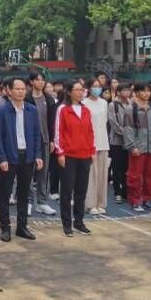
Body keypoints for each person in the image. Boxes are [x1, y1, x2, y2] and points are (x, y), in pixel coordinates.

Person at [0, 76, 43, 242]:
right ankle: (5, 228)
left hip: (27, 156)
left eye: (23, 89)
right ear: (9, 91)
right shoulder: (1, 109)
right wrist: (1, 158)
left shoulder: (31, 109)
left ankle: (22, 227)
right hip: (9, 157)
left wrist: (38, 155)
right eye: (17, 89)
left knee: (24, 193)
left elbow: (36, 134)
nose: (21, 92)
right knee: (5, 194)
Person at [53, 80, 95, 237]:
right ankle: (66, 224)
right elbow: (58, 132)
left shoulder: (86, 110)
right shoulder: (63, 109)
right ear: (69, 92)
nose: (80, 92)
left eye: (82, 90)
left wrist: (92, 150)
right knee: (66, 191)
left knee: (81, 191)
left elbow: (90, 132)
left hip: (85, 155)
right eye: (76, 90)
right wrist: (60, 153)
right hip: (69, 155)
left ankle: (79, 222)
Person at [124, 83, 151, 213]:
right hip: (137, 148)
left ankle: (148, 199)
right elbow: (128, 129)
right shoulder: (130, 109)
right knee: (135, 175)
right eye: (143, 91)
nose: (146, 93)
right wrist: (132, 146)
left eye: (148, 91)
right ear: (137, 92)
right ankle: (135, 200)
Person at [84, 81, 111, 215]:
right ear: (89, 88)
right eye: (94, 86)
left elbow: (105, 120)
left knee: (102, 174)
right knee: (91, 175)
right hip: (90, 142)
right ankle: (90, 204)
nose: (97, 89)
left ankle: (101, 203)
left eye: (99, 86)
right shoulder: (84, 103)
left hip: (103, 141)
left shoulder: (104, 103)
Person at [108, 82, 132, 205]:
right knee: (117, 168)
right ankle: (117, 192)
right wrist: (127, 134)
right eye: (124, 90)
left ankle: (125, 192)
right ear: (118, 92)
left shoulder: (131, 104)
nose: (127, 93)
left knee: (127, 167)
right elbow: (114, 123)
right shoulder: (113, 105)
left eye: (128, 90)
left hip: (129, 142)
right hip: (117, 141)